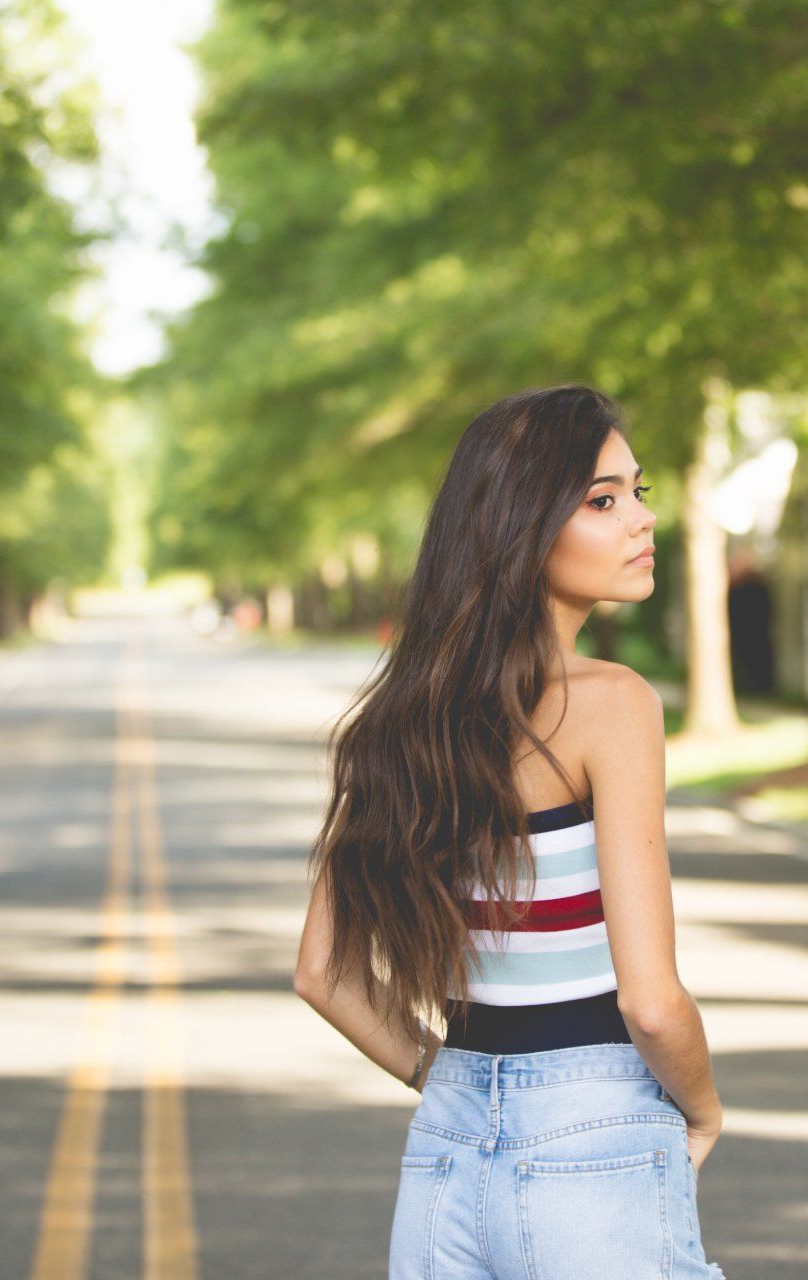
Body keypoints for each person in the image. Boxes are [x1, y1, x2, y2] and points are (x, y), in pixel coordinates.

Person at [294, 384, 727, 1279]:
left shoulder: (398, 723)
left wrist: (448, 1080)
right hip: (594, 1137)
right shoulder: (612, 705)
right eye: (602, 501)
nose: (641, 520)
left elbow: (325, 974)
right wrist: (704, 1107)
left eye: (637, 493)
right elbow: (651, 1002)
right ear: (521, 529)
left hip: (445, 1161)